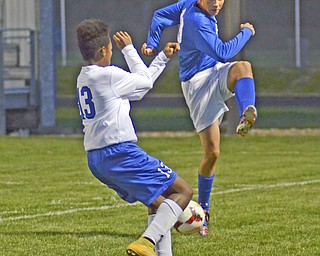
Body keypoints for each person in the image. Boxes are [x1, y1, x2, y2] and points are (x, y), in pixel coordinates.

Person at [76, 19, 193, 256]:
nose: (112, 50)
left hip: (97, 159)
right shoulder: (108, 75)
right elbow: (145, 82)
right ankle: (146, 241)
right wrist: (129, 50)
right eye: (110, 48)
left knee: (157, 203)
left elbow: (139, 88)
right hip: (118, 152)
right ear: (102, 51)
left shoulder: (85, 77)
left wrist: (162, 58)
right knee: (182, 192)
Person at [142, 0, 257, 236]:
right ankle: (203, 212)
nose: (216, 3)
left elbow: (159, 16)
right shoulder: (196, 19)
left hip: (214, 72)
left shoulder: (186, 6)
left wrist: (153, 43)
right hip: (197, 85)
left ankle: (247, 112)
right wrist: (247, 31)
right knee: (212, 153)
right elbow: (223, 51)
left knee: (243, 67)